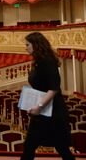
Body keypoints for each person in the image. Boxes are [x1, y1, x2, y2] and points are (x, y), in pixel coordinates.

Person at [20, 32, 75, 160]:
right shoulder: (38, 61)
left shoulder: (48, 61)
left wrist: (39, 106)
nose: (25, 47)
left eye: (27, 44)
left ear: (36, 45)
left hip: (53, 111)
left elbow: (54, 88)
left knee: (62, 148)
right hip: (43, 111)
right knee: (29, 145)